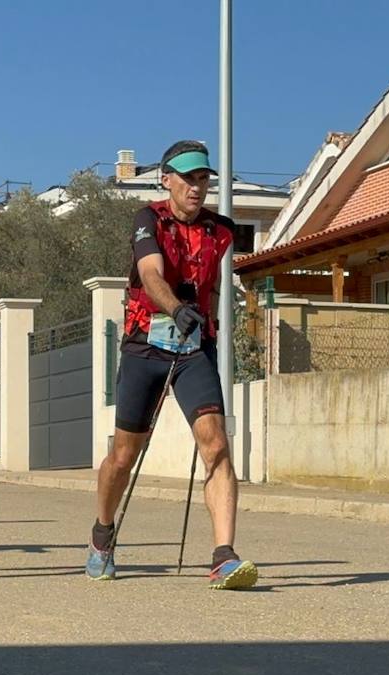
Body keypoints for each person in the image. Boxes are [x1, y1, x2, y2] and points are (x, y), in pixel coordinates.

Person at [88, 140, 256, 591]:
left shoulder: (221, 230)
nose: (197, 187)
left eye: (204, 179)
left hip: (194, 350)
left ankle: (224, 555)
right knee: (124, 456)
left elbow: (215, 286)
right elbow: (150, 274)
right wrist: (176, 308)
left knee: (216, 441)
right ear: (168, 180)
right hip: (146, 345)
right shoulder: (149, 220)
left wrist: (210, 324)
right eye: (188, 179)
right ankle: (102, 532)